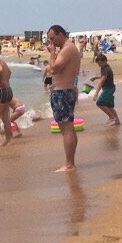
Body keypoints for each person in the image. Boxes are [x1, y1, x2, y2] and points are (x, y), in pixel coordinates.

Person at [46, 25, 82, 172]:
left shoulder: (67, 49)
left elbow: (54, 69)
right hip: (65, 91)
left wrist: (52, 53)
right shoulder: (69, 49)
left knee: (66, 129)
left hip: (63, 92)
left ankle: (69, 164)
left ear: (60, 34)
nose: (52, 42)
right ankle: (70, 162)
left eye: (53, 38)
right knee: (69, 128)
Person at [91, 54, 120, 125]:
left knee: (99, 103)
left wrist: (96, 94)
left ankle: (111, 117)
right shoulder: (105, 67)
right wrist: (96, 77)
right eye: (98, 63)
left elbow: (101, 82)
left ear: (105, 61)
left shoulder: (106, 69)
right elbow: (104, 77)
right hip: (111, 88)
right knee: (110, 106)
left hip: (108, 89)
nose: (99, 65)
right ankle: (117, 122)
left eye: (100, 63)